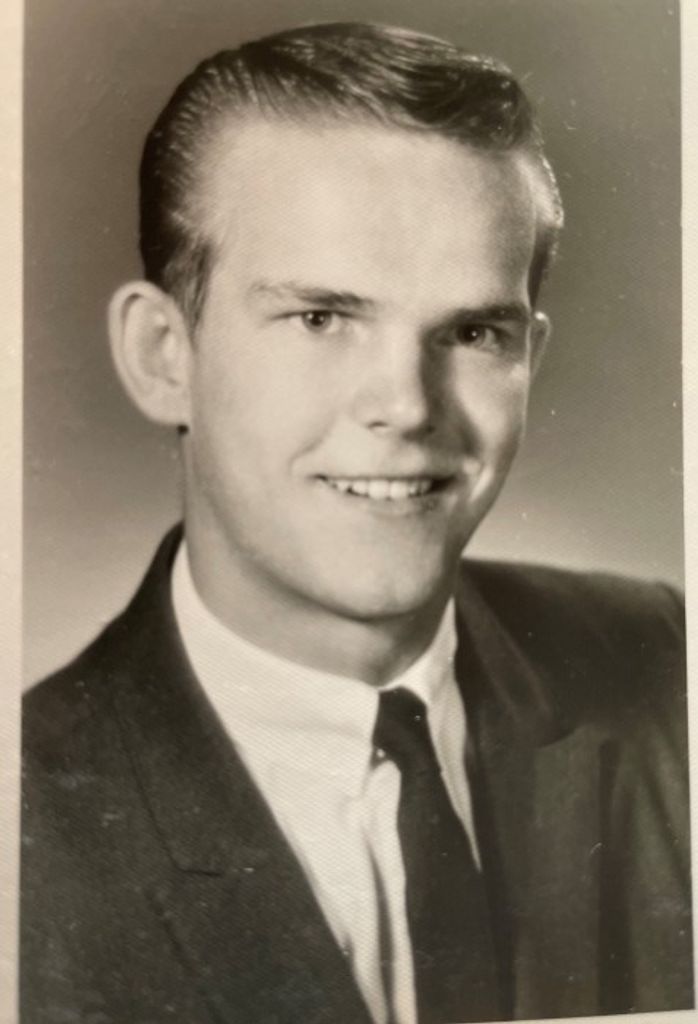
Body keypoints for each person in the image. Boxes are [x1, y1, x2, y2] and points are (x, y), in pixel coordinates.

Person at [21, 21, 692, 1024]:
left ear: (528, 361)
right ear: (164, 354)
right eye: (321, 318)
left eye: (472, 332)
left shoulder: (668, 667)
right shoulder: (28, 824)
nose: (408, 407)